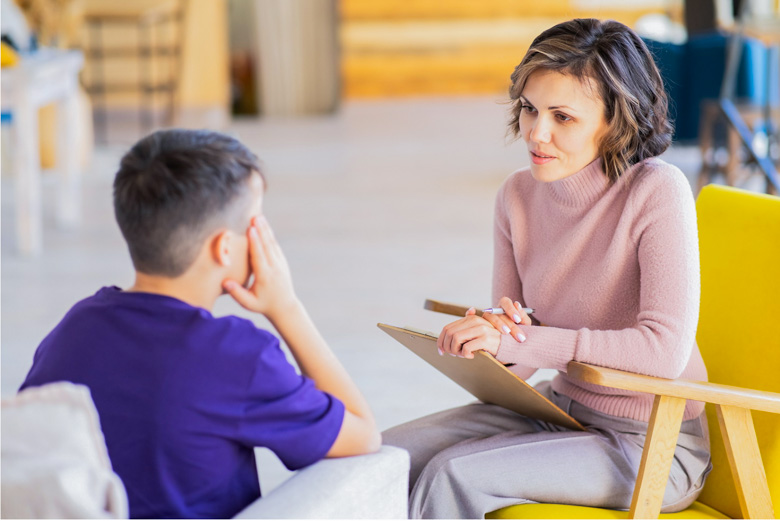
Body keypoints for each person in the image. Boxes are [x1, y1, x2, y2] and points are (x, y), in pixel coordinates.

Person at [383, 18, 711, 519]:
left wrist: (523, 340)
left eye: (563, 117)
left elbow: (663, 352)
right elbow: (524, 349)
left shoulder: (656, 191)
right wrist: (492, 337)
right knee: (384, 458)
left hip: (652, 443)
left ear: (616, 120)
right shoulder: (516, 196)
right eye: (531, 109)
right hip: (553, 410)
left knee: (453, 474)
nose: (537, 133)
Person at [19, 129, 381, 518]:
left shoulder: (75, 327)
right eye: (256, 221)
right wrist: (286, 307)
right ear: (224, 248)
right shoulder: (238, 356)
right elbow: (364, 435)